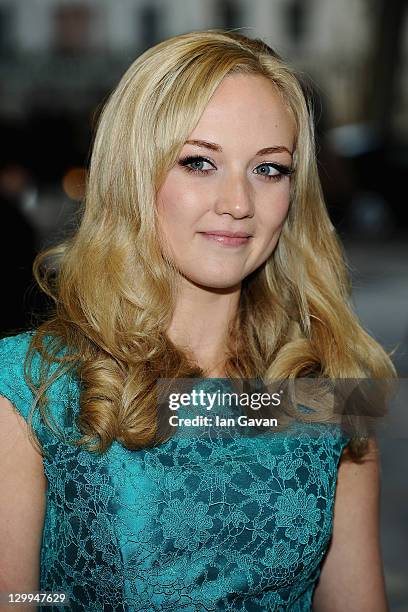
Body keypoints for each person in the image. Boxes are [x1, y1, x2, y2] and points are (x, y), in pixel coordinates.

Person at [0, 29, 396, 611]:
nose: (237, 202)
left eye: (269, 170)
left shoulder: (324, 392)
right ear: (133, 176)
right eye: (199, 162)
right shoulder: (31, 388)